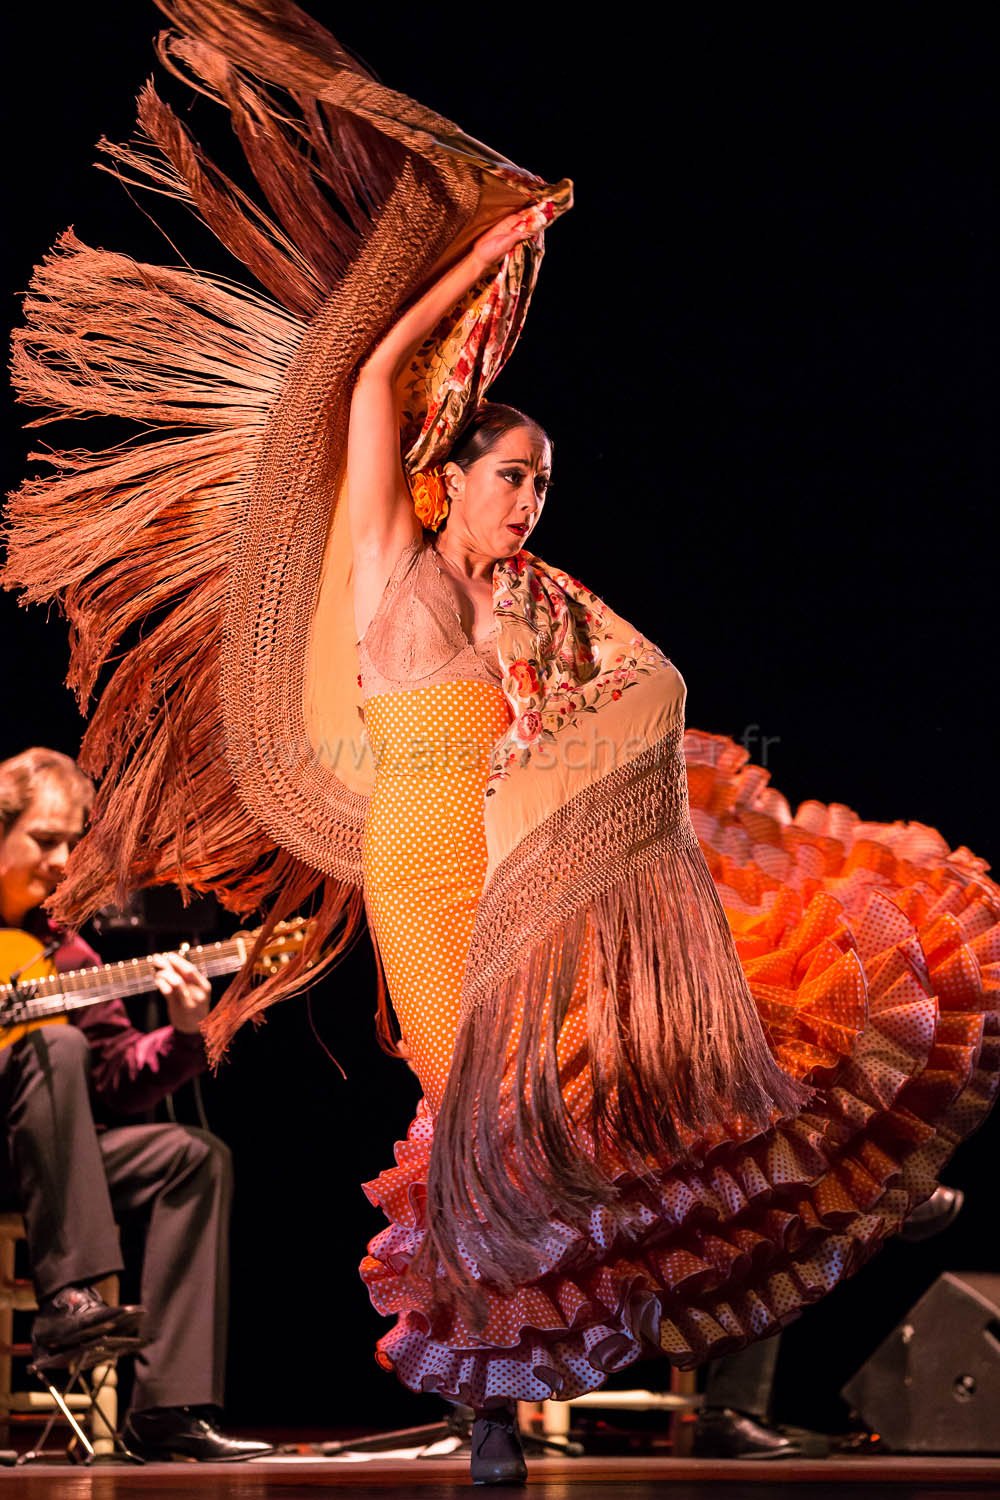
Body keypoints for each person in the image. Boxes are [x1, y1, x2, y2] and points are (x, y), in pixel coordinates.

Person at [4, 4, 997, 1489]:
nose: (529, 502)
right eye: (513, 475)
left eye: (543, 483)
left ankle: (820, 1185)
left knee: (627, 1073)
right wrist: (481, 257)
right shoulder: (388, 563)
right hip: (421, 872)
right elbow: (364, 388)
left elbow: (637, 698)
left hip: (515, 863)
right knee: (478, 1133)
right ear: (457, 473)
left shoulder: (533, 603)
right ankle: (485, 1403)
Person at [0, 748, 272, 1463]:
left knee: (192, 1157)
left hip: (57, 1167)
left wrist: (185, 1032)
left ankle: (167, 1409)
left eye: (72, 843)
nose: (63, 861)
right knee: (55, 1044)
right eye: (44, 839)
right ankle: (70, 1297)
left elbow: (119, 1078)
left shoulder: (68, 956)